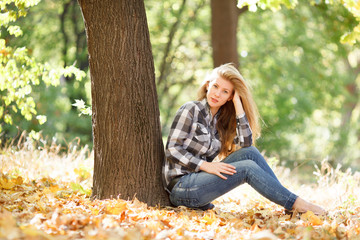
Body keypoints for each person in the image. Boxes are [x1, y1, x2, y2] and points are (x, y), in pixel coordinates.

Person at [162, 63, 326, 215]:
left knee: (249, 152)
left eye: (225, 91)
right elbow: (172, 150)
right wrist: (205, 166)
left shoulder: (220, 121)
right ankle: (296, 204)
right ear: (207, 86)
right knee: (247, 168)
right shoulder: (190, 110)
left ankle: (290, 203)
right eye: (215, 86)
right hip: (181, 187)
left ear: (230, 97)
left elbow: (246, 143)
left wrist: (238, 104)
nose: (217, 94)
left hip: (200, 183)